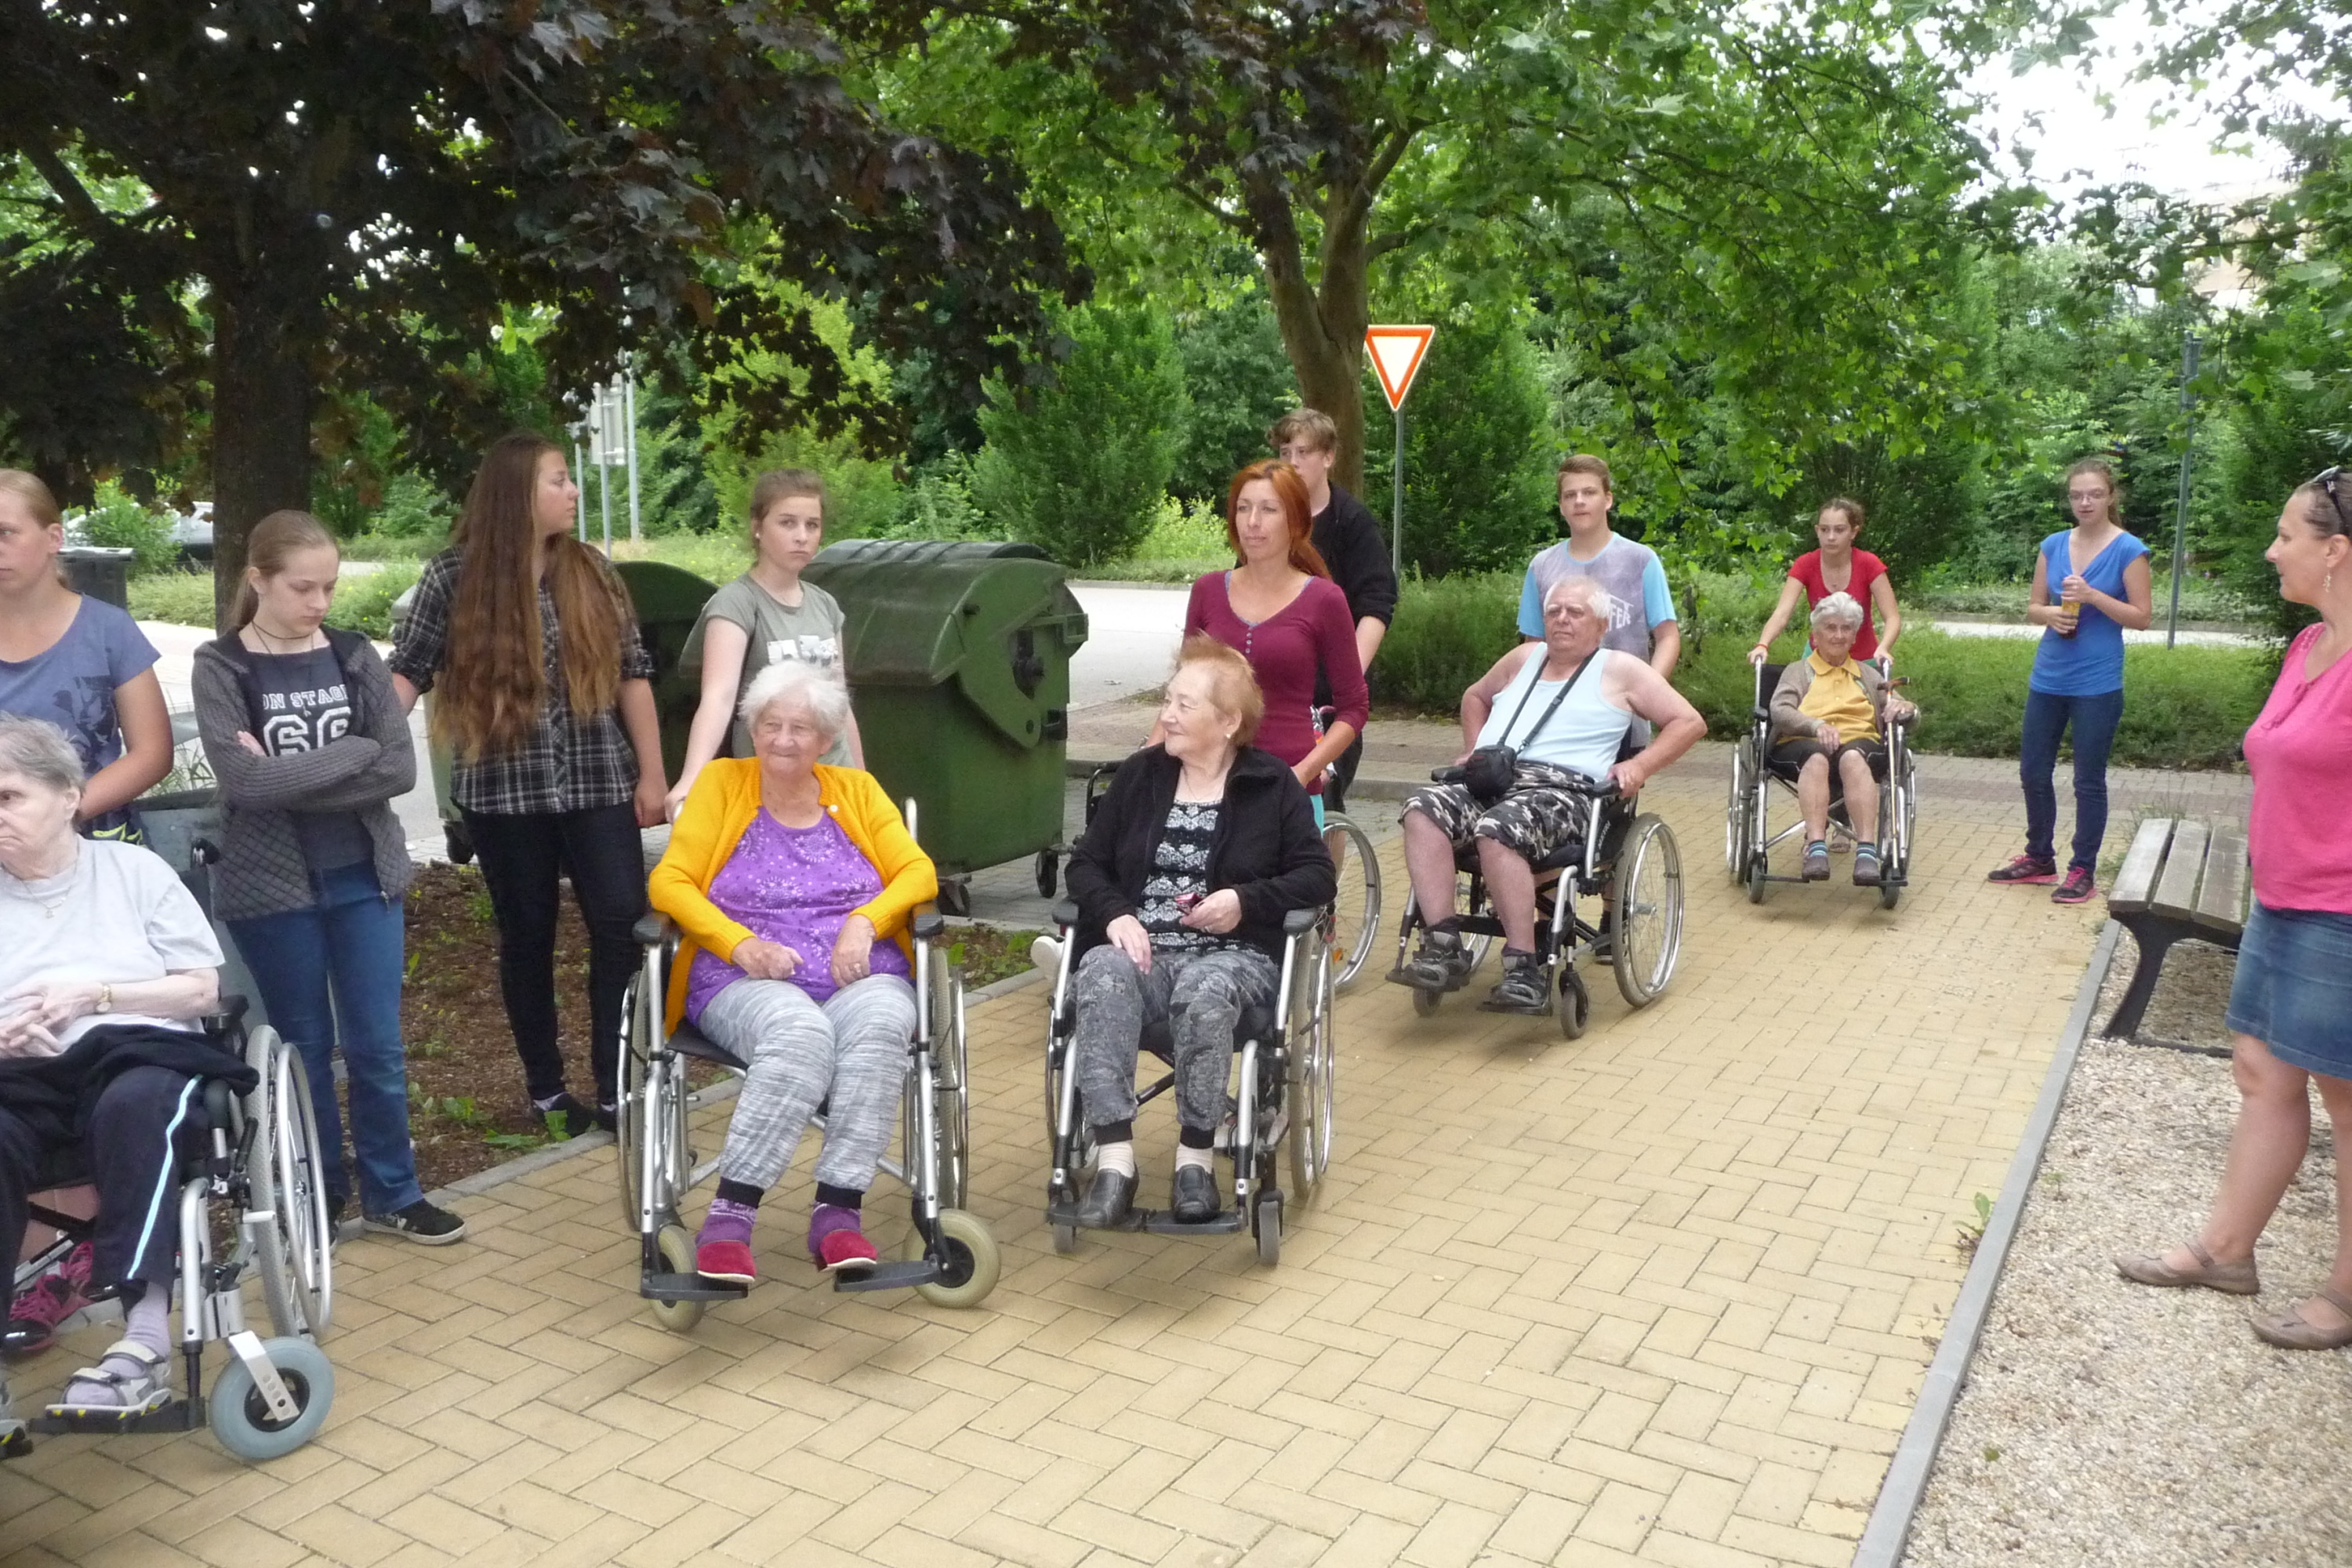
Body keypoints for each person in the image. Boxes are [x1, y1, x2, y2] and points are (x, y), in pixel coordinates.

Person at [2114, 468, 2352, 1349]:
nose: (2271, 550)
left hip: (2341, 911)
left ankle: (2347, 1292)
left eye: (2287, 535)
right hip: (2284, 897)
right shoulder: (2309, 645)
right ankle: (2225, 1251)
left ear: (2336, 551)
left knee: (2347, 1099)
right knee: (2259, 1068)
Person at [193, 511, 463, 1244]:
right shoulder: (222, 666)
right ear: (259, 580)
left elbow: (399, 767)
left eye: (329, 587)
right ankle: (319, 1194)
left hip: (365, 877)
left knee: (377, 1046)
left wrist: (288, 775)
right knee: (303, 1048)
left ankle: (393, 1192)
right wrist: (353, 751)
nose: (320, 602)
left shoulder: (352, 654)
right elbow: (245, 784)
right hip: (272, 889)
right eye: (302, 588)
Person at [389, 433, 668, 1135]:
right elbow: (409, 670)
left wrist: (653, 774)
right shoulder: (453, 576)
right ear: (517, 494)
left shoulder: (592, 570)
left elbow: (633, 674)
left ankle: (618, 1085)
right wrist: (358, 747)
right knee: (527, 934)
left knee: (622, 924)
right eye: (557, 480)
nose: (572, 492)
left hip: (599, 781)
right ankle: (547, 1090)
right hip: (503, 793)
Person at [649, 662, 936, 1283]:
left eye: (800, 728)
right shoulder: (722, 784)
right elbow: (669, 882)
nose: (783, 739)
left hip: (857, 974)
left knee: (885, 1021)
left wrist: (865, 922)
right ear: (753, 728)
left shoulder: (857, 791)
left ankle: (838, 1211)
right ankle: (730, 1216)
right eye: (770, 724)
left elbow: (918, 873)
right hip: (743, 979)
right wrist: (740, 944)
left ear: (826, 738)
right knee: (800, 1034)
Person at [0, 716, 232, 1443]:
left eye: (8, 797)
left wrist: (95, 995)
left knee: (138, 1104)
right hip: (21, 1076)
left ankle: (142, 1337)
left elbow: (201, 990)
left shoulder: (134, 872)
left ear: (69, 796)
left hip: (133, 1054)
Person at [1063, 637, 1335, 1228]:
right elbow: (1084, 865)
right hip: (1147, 953)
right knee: (1101, 971)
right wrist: (1116, 914)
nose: (1167, 716)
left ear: (1229, 721)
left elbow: (1318, 876)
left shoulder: (1271, 786)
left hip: (1238, 957)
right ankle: (1115, 1163)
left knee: (1205, 989)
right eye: (1168, 701)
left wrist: (1244, 900)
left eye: (1184, 705)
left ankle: (1195, 1158)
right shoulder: (1140, 777)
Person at [1390, 577, 1705, 1014]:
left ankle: (1524, 966)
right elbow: (1475, 696)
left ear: (1601, 626)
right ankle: (1443, 943)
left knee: (1497, 828)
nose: (1562, 619)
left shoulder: (1621, 669)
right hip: (1495, 778)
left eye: (1575, 612)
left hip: (1565, 791)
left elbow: (1689, 722)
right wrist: (1473, 748)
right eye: (1554, 611)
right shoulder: (1524, 658)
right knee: (1422, 808)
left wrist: (1639, 765)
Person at [1986, 457, 2153, 904]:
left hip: (2097, 683)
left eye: (2095, 494)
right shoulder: (2054, 544)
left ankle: (2084, 869)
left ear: (2111, 496)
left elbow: (2142, 617)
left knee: (2088, 780)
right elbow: (2034, 607)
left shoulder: (2129, 550)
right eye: (2077, 495)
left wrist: (2094, 596)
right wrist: (2052, 614)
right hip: (2049, 676)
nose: (2085, 502)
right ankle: (2039, 857)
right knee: (2032, 771)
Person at [1179, 461, 1368, 829]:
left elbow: (1354, 708)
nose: (1253, 522)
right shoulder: (1207, 590)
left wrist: (1303, 773)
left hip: (1286, 790)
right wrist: (1148, 761)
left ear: (1295, 521)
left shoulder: (1325, 600)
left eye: (1268, 509)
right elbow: (1181, 694)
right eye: (1243, 508)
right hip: (1204, 785)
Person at [670, 469, 864, 818]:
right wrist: (691, 778)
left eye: (812, 525)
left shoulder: (825, 605)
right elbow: (718, 697)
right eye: (788, 523)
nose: (802, 536)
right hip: (770, 790)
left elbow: (840, 703)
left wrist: (862, 783)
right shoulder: (736, 603)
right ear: (757, 528)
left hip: (834, 784)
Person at [0, 470, 172, 840]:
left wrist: (60, 813)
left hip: (95, 842)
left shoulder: (109, 630)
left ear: (54, 538)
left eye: (5, 532)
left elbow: (153, 754)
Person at [1269, 409, 1399, 810]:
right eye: (1285, 452)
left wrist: (1349, 678)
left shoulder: (1353, 522)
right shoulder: (1268, 518)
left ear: (1328, 457)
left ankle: (1328, 851)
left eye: (1304, 452)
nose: (1292, 462)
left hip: (1329, 697)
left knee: (1324, 795)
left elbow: (1377, 604)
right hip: (1272, 687)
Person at [1767, 593, 1918, 887]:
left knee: (1852, 757)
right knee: (1816, 757)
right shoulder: (1798, 671)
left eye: (1846, 628)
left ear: (1854, 636)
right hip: (1803, 743)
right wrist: (1815, 725)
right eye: (1830, 627)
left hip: (1859, 744)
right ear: (1815, 634)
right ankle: (1816, 846)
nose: (1838, 635)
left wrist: (1906, 708)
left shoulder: (1868, 675)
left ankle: (1866, 851)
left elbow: (1907, 711)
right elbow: (1780, 710)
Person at [1516, 454, 1681, 678]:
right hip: (1559, 696)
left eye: (1589, 492)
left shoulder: (1641, 561)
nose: (1579, 501)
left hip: (1625, 695)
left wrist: (1649, 689)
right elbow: (1533, 645)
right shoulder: (1541, 566)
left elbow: (1668, 637)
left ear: (1608, 499)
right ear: (1561, 506)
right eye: (1570, 495)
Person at [1748, 496, 1902, 666]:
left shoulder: (1869, 564)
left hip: (1864, 660)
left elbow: (1892, 617)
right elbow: (1782, 613)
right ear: (1817, 531)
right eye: (1824, 530)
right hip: (1818, 657)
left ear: (1853, 532)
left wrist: (1884, 647)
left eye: (1839, 530)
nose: (1831, 537)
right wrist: (1763, 644)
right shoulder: (1805, 564)